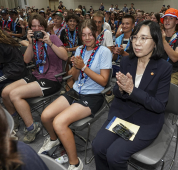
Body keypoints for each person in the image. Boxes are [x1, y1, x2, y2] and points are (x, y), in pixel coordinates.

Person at [92, 20, 172, 170]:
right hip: (123, 115)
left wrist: (132, 90)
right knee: (98, 147)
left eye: (143, 38)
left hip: (145, 121)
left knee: (115, 155)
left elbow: (159, 106)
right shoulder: (128, 60)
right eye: (135, 37)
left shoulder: (164, 68)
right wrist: (122, 89)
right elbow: (116, 91)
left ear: (155, 42)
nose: (137, 43)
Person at [38, 19, 112, 170]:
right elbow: (75, 78)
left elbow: (104, 82)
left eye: (90, 34)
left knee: (58, 122)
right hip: (76, 91)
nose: (87, 38)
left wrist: (83, 66)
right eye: (84, 35)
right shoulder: (80, 50)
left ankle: (75, 163)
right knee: (45, 116)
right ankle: (54, 139)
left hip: (93, 96)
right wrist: (76, 67)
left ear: (96, 34)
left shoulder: (104, 52)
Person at [1, 13, 68, 143]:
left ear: (44, 26)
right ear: (30, 28)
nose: (37, 29)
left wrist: (50, 43)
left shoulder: (53, 37)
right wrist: (31, 43)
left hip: (52, 79)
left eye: (40, 26)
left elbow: (65, 57)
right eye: (34, 26)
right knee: (5, 92)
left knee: (15, 94)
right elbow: (26, 60)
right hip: (37, 75)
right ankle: (15, 118)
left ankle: (32, 127)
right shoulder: (34, 41)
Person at [161, 8, 178, 85]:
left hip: (173, 73)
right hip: (157, 70)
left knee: (168, 86)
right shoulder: (158, 35)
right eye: (165, 18)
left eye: (171, 18)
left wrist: (163, 41)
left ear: (176, 21)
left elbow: (175, 58)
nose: (167, 21)